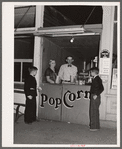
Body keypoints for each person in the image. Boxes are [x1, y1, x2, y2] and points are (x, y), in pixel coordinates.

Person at [89, 67, 104, 131]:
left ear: (93, 72)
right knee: (95, 111)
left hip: (95, 96)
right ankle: (95, 126)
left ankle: (94, 127)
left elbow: (101, 88)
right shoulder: (97, 78)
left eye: (91, 72)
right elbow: (102, 88)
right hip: (96, 96)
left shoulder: (96, 79)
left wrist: (96, 94)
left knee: (93, 111)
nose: (90, 73)